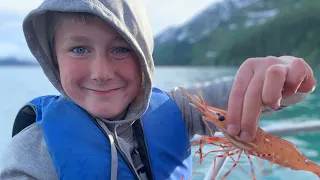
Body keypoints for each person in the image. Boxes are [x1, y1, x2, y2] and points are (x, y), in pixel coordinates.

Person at [0, 0, 316, 179]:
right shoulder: (31, 155)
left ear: (144, 59)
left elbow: (244, 91)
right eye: (79, 50)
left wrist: (285, 76)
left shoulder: (176, 110)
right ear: (53, 60)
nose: (101, 73)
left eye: (121, 49)